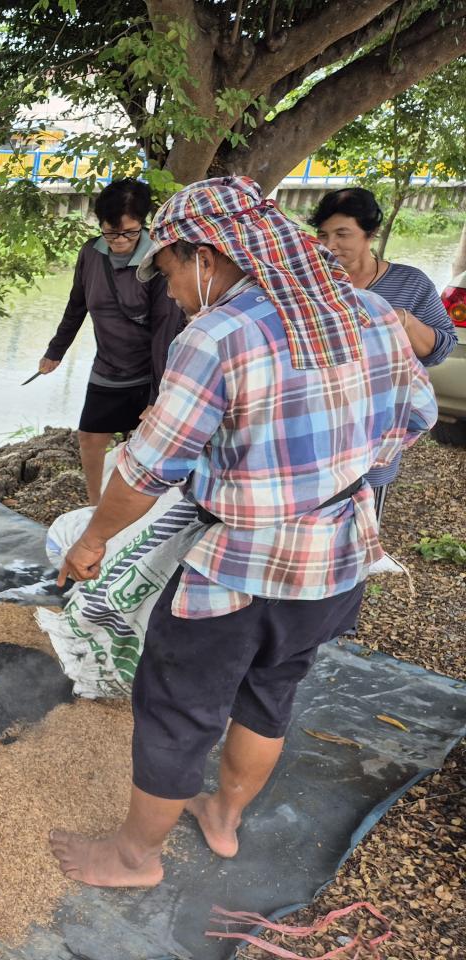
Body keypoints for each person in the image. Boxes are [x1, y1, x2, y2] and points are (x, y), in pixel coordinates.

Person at [48, 176, 436, 888]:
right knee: (272, 688)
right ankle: (221, 820)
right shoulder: (372, 311)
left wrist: (92, 540)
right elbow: (416, 417)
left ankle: (133, 859)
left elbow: (146, 468)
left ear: (208, 254)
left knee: (178, 702)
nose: (169, 292)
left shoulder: (221, 334)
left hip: (239, 569)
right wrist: (342, 480)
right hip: (339, 560)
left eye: (168, 271)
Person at [36, 178, 185, 506]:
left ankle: (136, 511)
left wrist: (159, 395)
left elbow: (166, 330)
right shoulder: (91, 253)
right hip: (108, 366)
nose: (119, 240)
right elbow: (77, 304)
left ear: (142, 224)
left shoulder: (158, 261)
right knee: (90, 437)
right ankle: (95, 506)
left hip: (149, 371)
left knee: (141, 446)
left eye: (129, 232)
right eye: (111, 231)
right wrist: (55, 351)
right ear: (100, 224)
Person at [311, 187, 456, 522]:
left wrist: (400, 320)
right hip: (316, 429)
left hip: (375, 434)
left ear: (370, 233)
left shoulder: (411, 283)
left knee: (360, 536)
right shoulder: (312, 284)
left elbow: (440, 349)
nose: (330, 245)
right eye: (323, 234)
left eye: (342, 234)